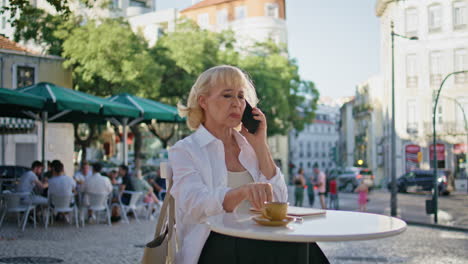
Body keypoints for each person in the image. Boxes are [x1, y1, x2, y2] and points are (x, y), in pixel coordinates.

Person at [169, 65, 329, 264]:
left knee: (304, 245)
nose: (237, 103)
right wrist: (242, 192)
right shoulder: (185, 150)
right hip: (210, 244)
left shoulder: (250, 147)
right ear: (203, 101)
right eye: (227, 96)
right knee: (283, 247)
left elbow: (278, 199)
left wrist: (260, 144)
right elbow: (195, 203)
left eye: (241, 96)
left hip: (256, 239)